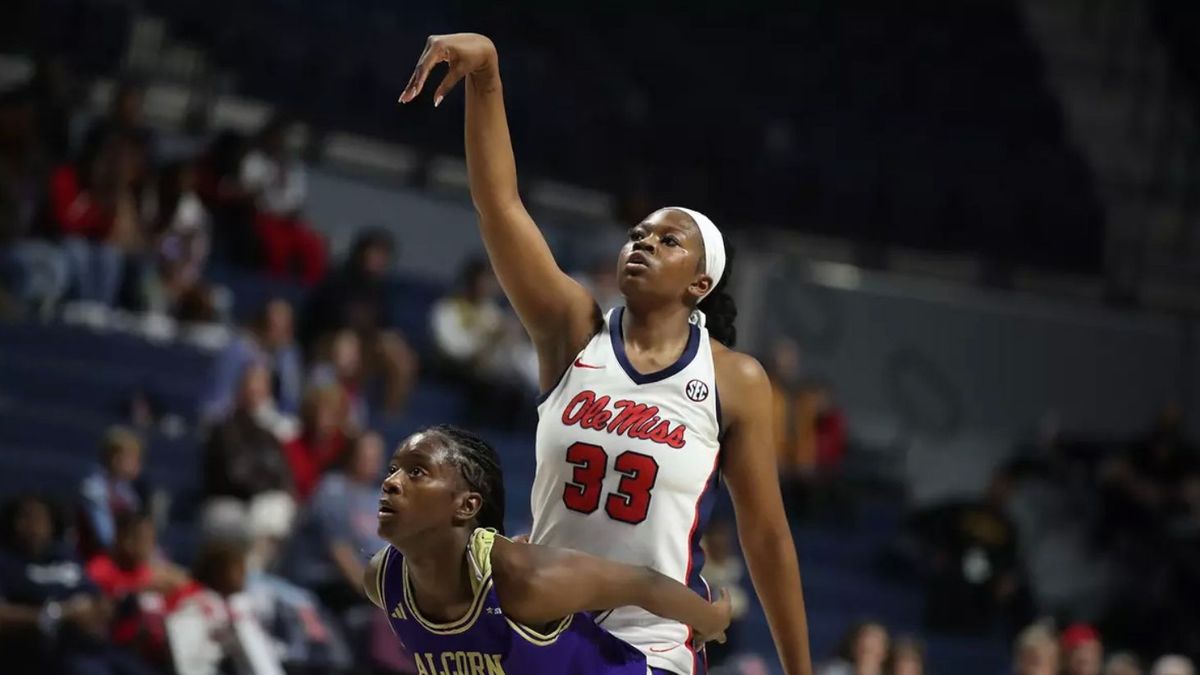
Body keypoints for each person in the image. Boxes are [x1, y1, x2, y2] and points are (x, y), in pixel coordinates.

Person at [399, 32, 810, 675]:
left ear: (701, 283)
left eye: (667, 241)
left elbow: (766, 537)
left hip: (652, 647)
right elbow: (499, 205)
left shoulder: (734, 379)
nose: (642, 243)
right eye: (635, 235)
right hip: (546, 633)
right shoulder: (573, 331)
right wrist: (487, 78)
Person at [363, 426, 731, 673]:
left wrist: (712, 620)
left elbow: (644, 584)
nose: (391, 482)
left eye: (416, 472)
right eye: (393, 469)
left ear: (467, 506)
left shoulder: (517, 578)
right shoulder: (382, 579)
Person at [301, 228, 417, 413]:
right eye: (374, 253)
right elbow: (321, 322)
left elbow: (383, 325)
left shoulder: (379, 289)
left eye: (383, 256)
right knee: (346, 344)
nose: (378, 260)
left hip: (363, 346)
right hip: (324, 344)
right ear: (361, 252)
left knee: (399, 355)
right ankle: (337, 411)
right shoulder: (337, 279)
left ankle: (389, 419)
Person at [78, 426, 154, 559]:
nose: (139, 465)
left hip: (126, 555)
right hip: (98, 559)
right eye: (134, 458)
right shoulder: (93, 489)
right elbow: (106, 538)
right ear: (116, 458)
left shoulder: (128, 492)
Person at [818, 621, 889, 675]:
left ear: (884, 653)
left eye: (871, 650)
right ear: (853, 648)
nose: (866, 657)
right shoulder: (834, 671)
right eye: (863, 649)